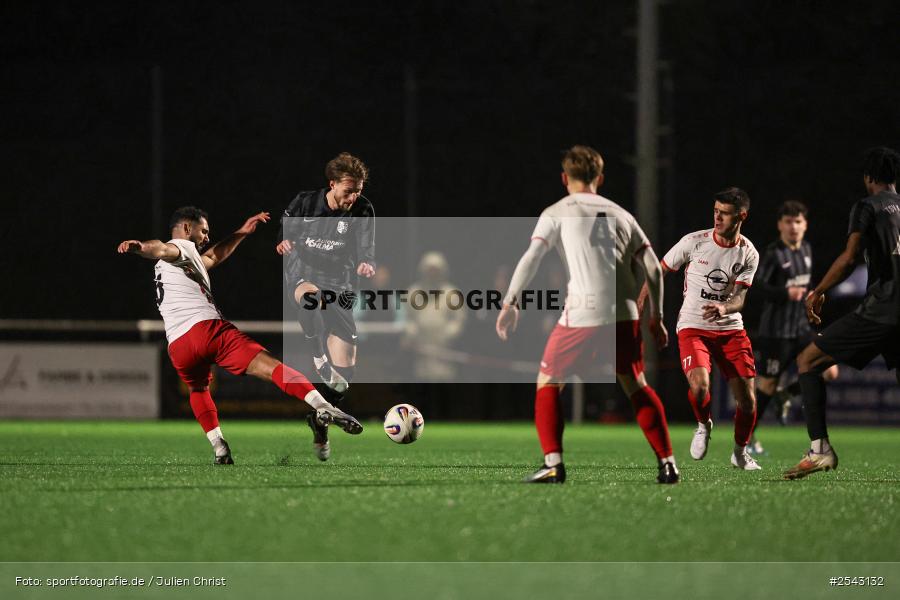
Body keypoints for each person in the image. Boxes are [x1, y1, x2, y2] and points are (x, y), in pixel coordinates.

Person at [118, 206, 362, 464]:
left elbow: (213, 257)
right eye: (203, 231)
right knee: (273, 367)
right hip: (208, 330)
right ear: (187, 228)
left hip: (178, 346)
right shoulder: (179, 247)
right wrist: (139, 246)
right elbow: (160, 247)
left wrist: (241, 233)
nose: (206, 237)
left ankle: (219, 446)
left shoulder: (172, 266)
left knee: (198, 389)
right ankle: (323, 405)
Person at [496, 145, 678, 485]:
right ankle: (668, 464)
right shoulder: (622, 214)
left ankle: (553, 464)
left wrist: (511, 302)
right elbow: (652, 266)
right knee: (636, 385)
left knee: (548, 382)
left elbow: (533, 256)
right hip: (625, 315)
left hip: (582, 312)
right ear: (600, 178)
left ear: (565, 178)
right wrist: (657, 315)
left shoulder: (558, 210)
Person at [784, 147, 900, 480]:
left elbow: (850, 258)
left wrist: (818, 291)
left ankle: (820, 451)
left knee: (808, 360)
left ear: (868, 178)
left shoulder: (867, 207)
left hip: (881, 310)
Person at [277, 153, 375, 461]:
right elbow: (285, 231)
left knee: (345, 375)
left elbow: (367, 248)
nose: (354, 195)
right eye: (349, 189)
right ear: (332, 184)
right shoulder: (305, 203)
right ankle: (318, 357)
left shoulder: (363, 209)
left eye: (358, 189)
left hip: (341, 284)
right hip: (303, 276)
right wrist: (283, 242)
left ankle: (319, 422)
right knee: (311, 298)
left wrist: (366, 263)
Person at [661, 187, 761, 470]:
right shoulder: (694, 242)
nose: (717, 217)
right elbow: (661, 269)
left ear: (741, 216)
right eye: (715, 211)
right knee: (700, 387)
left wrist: (725, 308)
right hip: (693, 326)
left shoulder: (748, 253)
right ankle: (703, 425)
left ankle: (740, 453)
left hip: (730, 329)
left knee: (748, 401)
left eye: (725, 213)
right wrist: (646, 300)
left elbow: (740, 297)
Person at [749, 200, 838, 454]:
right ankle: (745, 439)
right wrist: (785, 293)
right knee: (765, 386)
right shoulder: (773, 253)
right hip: (776, 334)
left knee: (829, 369)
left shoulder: (807, 250)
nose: (793, 227)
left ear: (805, 224)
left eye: (798, 221)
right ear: (780, 225)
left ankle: (786, 394)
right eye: (788, 222)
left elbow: (804, 288)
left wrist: (811, 296)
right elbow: (758, 286)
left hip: (800, 328)